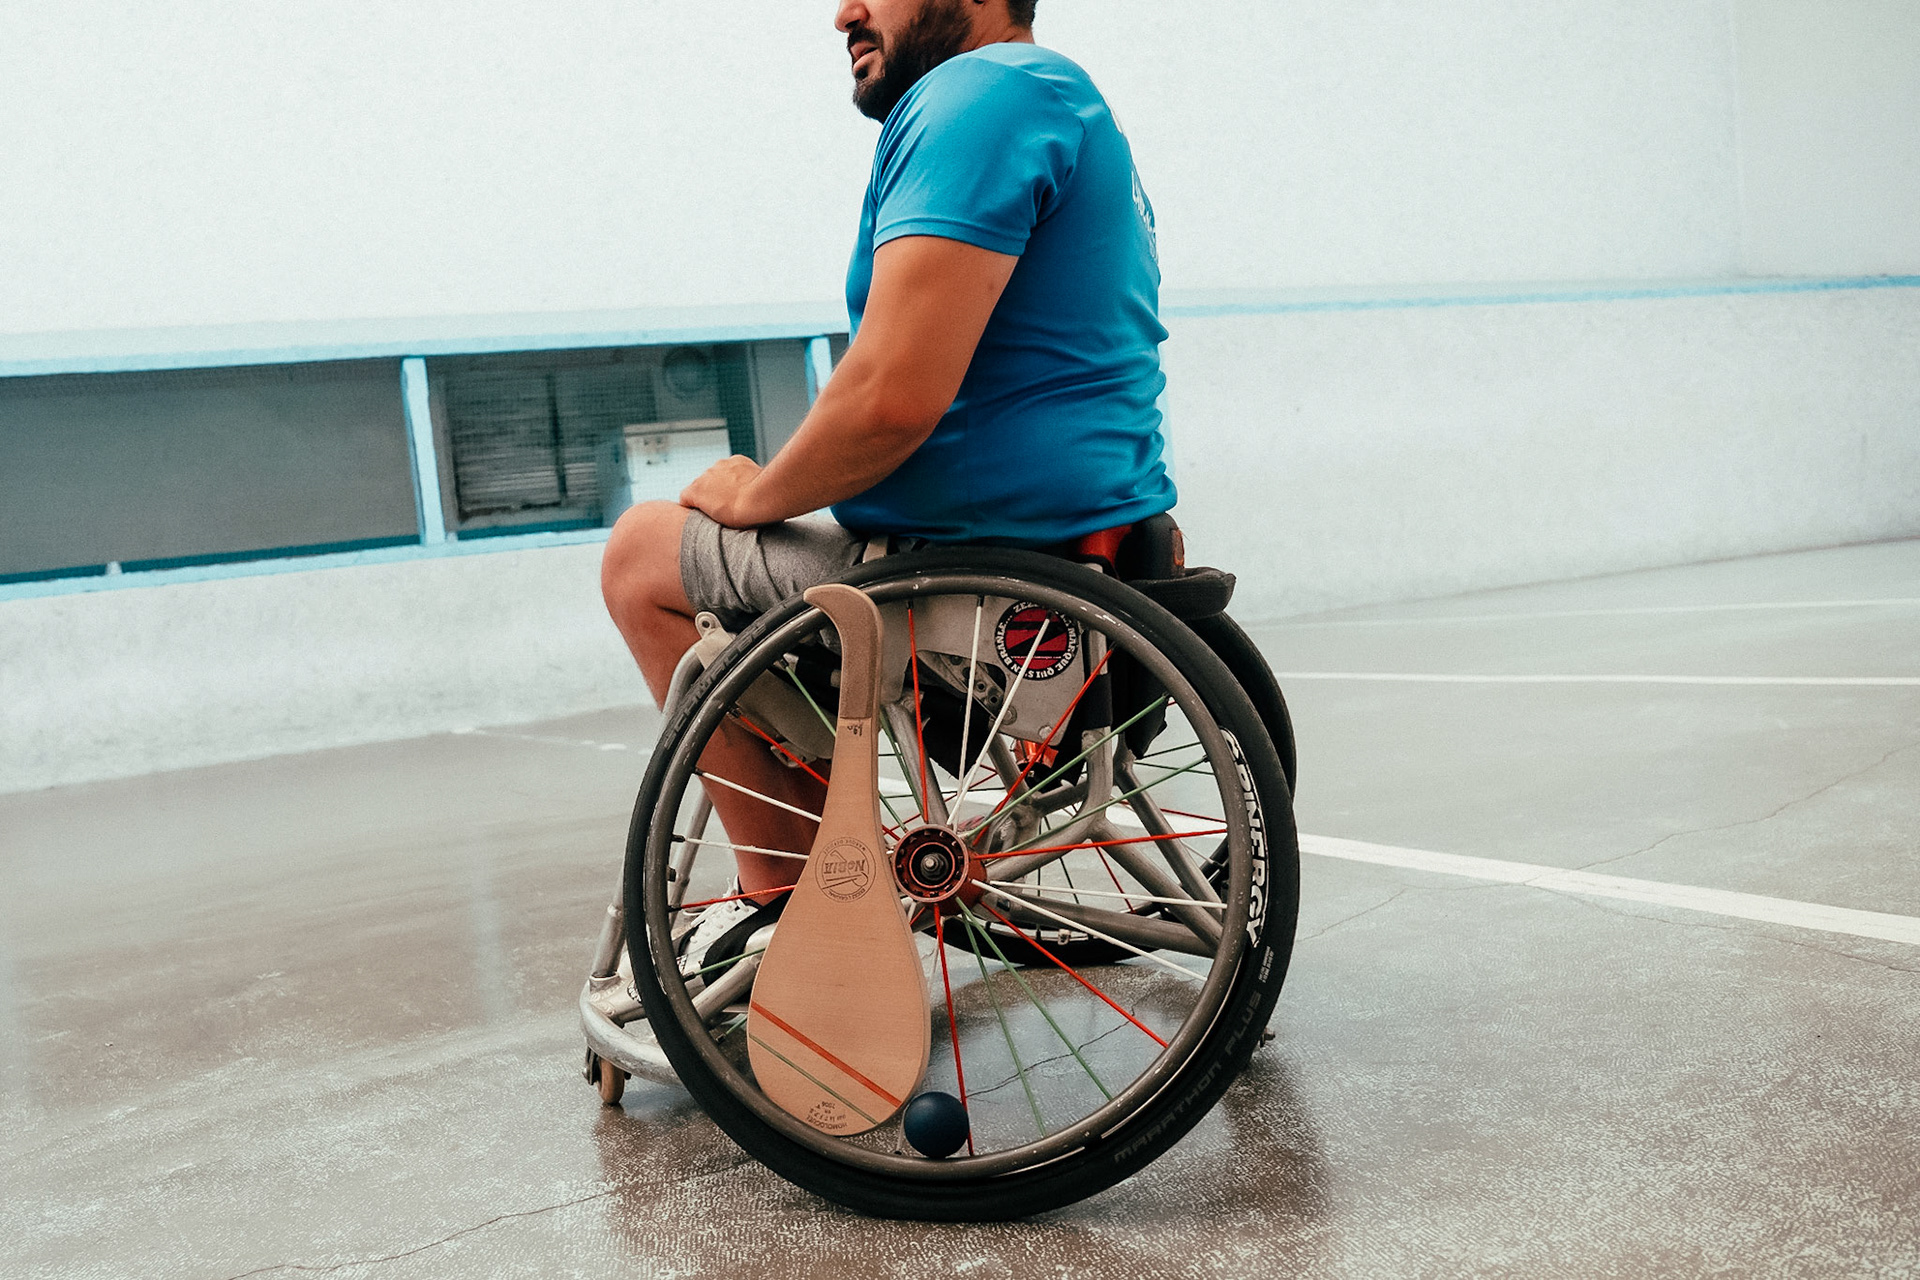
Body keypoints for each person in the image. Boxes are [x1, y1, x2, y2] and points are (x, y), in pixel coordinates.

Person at [600, 0, 1174, 971]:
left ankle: (788, 902)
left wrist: (755, 496)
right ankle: (823, 865)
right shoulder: (1060, 101)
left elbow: (889, 399)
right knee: (744, 571)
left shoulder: (977, 95)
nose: (845, 13)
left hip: (970, 599)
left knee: (642, 554)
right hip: (1080, 576)